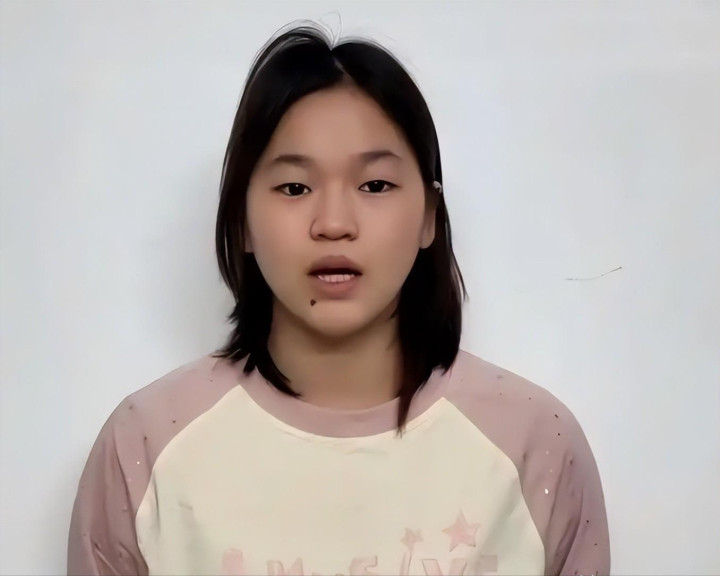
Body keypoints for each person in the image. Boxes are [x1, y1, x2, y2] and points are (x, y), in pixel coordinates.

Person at [67, 22, 610, 576]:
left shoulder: (534, 445)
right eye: (294, 187)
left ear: (428, 215)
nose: (333, 223)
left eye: (374, 185)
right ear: (242, 219)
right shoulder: (146, 445)